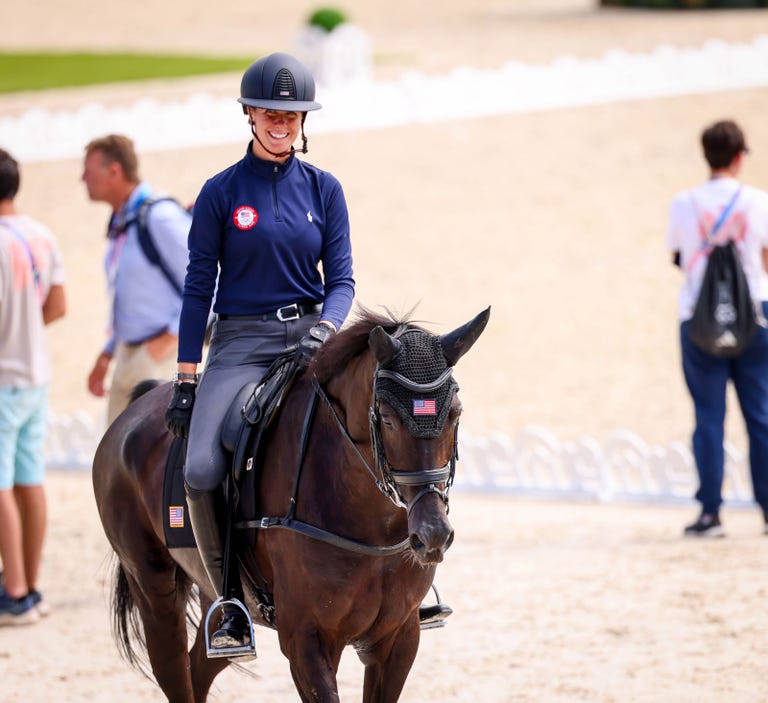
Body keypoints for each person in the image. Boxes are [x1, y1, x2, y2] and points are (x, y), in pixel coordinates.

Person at [164, 52, 355, 652]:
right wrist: (187, 376)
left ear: (304, 121)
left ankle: (407, 583)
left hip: (310, 338)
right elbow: (199, 289)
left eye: (292, 113)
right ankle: (228, 601)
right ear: (250, 113)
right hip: (242, 343)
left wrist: (326, 329)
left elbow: (342, 280)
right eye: (270, 111)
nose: (281, 121)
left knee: (379, 420)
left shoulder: (325, 189)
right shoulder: (221, 192)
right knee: (199, 470)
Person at [667, 119, 768, 538]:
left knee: (708, 418)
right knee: (760, 415)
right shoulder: (758, 201)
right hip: (756, 316)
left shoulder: (684, 203)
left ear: (706, 155)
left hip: (699, 317)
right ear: (740, 155)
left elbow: (676, 256)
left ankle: (710, 513)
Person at [82, 134, 191, 426]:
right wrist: (107, 354)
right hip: (127, 354)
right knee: (114, 461)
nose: (83, 179)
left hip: (158, 358)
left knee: (152, 464)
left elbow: (210, 284)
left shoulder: (160, 217)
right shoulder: (123, 221)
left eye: (89, 171)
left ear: (114, 171)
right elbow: (129, 294)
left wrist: (169, 338)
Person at [0, 147, 66, 625]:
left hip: (3, 377)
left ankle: (14, 590)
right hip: (35, 372)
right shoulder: (41, 234)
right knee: (29, 480)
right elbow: (57, 306)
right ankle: (32, 586)